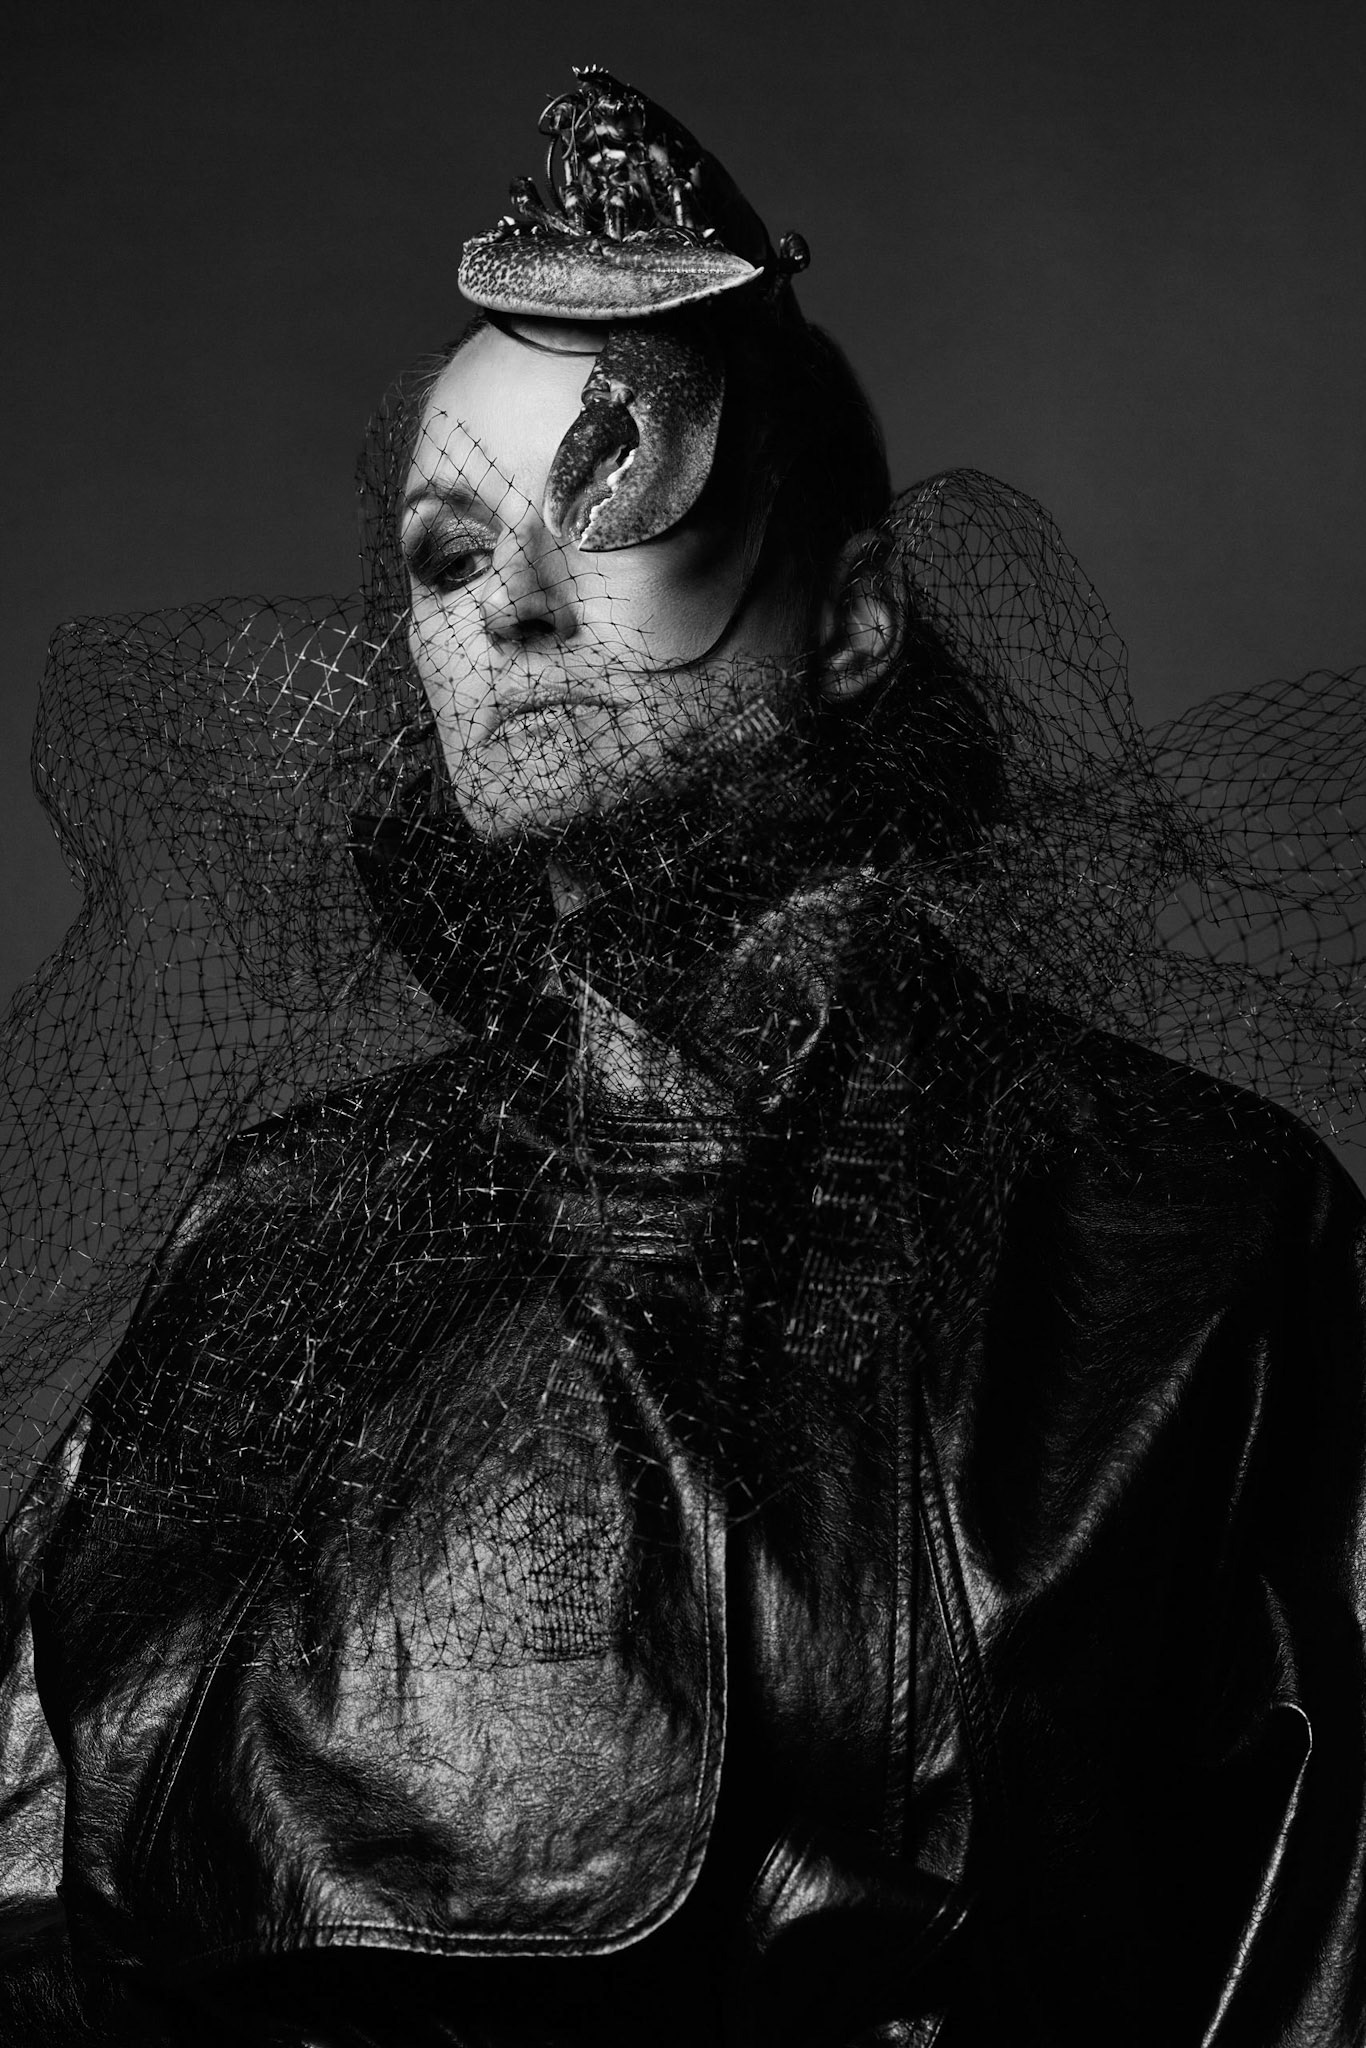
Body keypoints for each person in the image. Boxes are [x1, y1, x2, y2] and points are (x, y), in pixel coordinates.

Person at [0, 65, 1363, 2048]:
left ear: (854, 621)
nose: (517, 607)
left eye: (618, 508)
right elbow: (42, 1915)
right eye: (447, 554)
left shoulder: (1197, 1234)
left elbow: (1313, 1947)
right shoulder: (271, 1237)